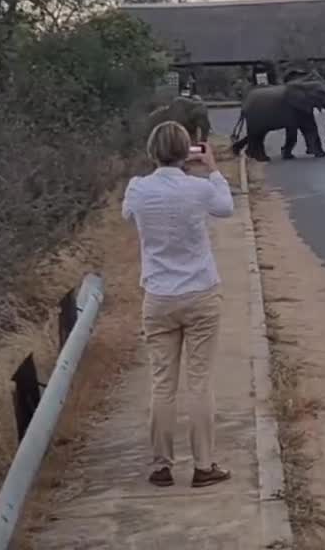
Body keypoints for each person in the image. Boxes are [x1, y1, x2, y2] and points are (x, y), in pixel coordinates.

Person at [123, 120, 236, 488]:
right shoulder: (199, 189)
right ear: (187, 151)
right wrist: (214, 169)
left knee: (162, 384)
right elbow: (226, 208)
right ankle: (204, 465)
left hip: (158, 296)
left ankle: (161, 465)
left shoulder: (138, 190)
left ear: (152, 151)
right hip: (200, 291)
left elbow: (127, 215)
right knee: (199, 383)